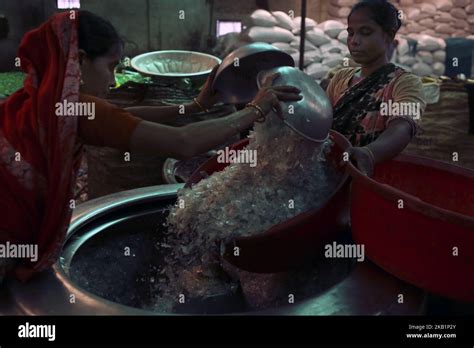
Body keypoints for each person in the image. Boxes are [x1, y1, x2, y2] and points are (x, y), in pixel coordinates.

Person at [0, 10, 302, 281]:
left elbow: (122, 116)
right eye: (111, 66)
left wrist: (194, 106)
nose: (115, 81)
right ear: (79, 60)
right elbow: (183, 143)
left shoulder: (43, 100)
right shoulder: (76, 110)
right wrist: (256, 110)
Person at [326, 0, 427, 176]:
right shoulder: (340, 79)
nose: (354, 41)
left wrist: (370, 153)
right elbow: (321, 122)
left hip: (369, 178)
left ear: (388, 35)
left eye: (365, 33)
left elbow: (403, 126)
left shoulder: (404, 83)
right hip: (329, 173)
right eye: (350, 33)